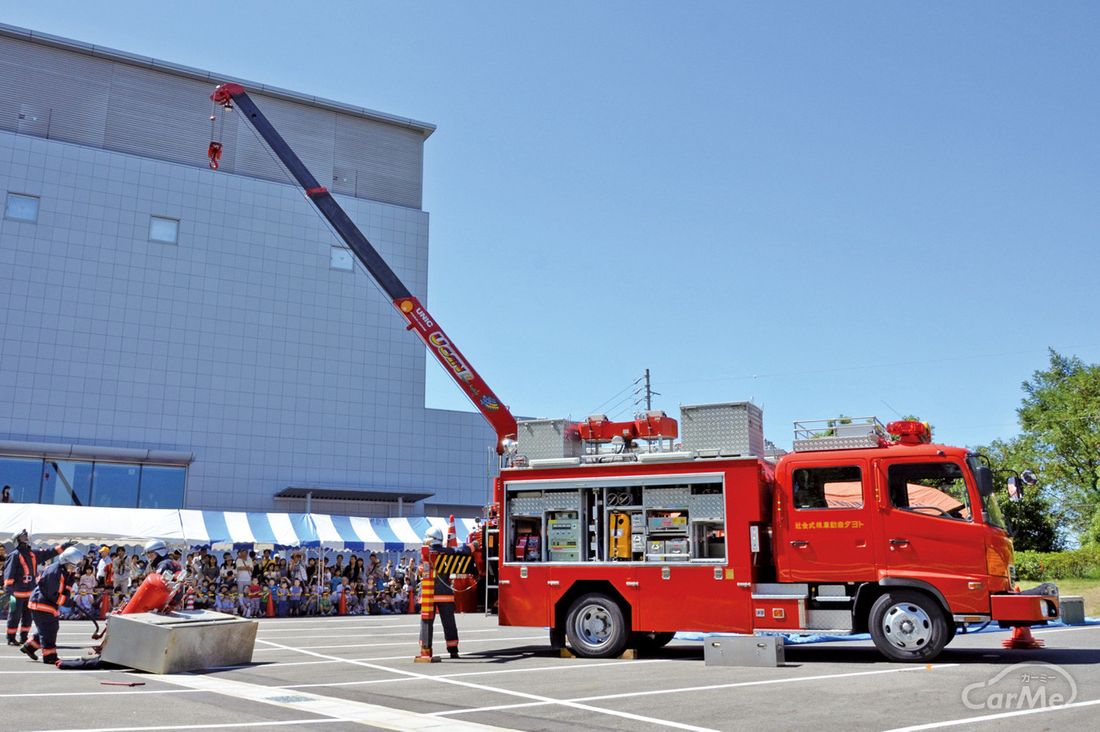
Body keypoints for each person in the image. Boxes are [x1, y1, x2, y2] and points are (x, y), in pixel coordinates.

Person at [21, 545, 84, 665]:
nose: (74, 569)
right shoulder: (54, 571)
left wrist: (70, 585)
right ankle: (50, 656)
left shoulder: (65, 572)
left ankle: (30, 647)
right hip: (41, 604)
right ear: (66, 561)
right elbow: (51, 594)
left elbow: (65, 589)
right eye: (73, 566)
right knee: (49, 630)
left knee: (51, 628)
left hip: (47, 605)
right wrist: (67, 602)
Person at [3, 529, 69, 646]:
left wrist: (64, 546)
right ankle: (11, 638)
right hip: (16, 593)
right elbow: (9, 575)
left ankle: (24, 637)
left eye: (26, 536)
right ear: (17, 540)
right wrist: (9, 592)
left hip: (30, 592)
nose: (26, 538)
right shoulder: (14, 555)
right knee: (14, 616)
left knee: (28, 618)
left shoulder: (33, 554)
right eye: (23, 537)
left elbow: (50, 552)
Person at [416, 526, 471, 661]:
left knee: (426, 622)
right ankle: (453, 650)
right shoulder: (448, 552)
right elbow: (464, 550)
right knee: (449, 623)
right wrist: (473, 545)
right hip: (445, 593)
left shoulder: (424, 552)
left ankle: (425, 650)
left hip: (428, 594)